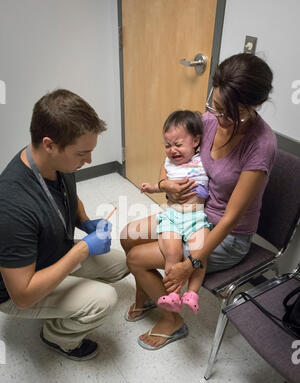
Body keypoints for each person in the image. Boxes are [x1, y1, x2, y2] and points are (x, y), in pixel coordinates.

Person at [121, 53, 277, 350]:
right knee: (128, 235)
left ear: (252, 107)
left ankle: (172, 322)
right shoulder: (209, 119)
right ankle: (148, 299)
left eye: (227, 114)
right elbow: (173, 154)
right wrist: (166, 184)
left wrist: (192, 262)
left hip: (225, 234)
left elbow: (230, 217)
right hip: (190, 212)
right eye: (214, 106)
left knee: (135, 259)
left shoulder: (260, 146)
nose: (217, 118)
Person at [0, 89, 128, 360]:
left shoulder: (57, 164)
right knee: (105, 299)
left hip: (52, 255)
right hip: (17, 291)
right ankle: (57, 337)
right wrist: (82, 250)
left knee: (121, 263)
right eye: (83, 153)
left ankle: (63, 296)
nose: (90, 161)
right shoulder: (11, 206)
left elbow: (70, 196)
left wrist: (85, 222)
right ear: (49, 144)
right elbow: (22, 295)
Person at [139, 110, 211, 315]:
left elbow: (215, 181)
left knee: (199, 253)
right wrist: (152, 187)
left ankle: (193, 294)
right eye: (168, 145)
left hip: (197, 216)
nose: (172, 150)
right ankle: (173, 294)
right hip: (172, 216)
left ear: (196, 141)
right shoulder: (168, 162)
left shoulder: (203, 160)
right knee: (173, 252)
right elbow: (161, 186)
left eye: (178, 145)